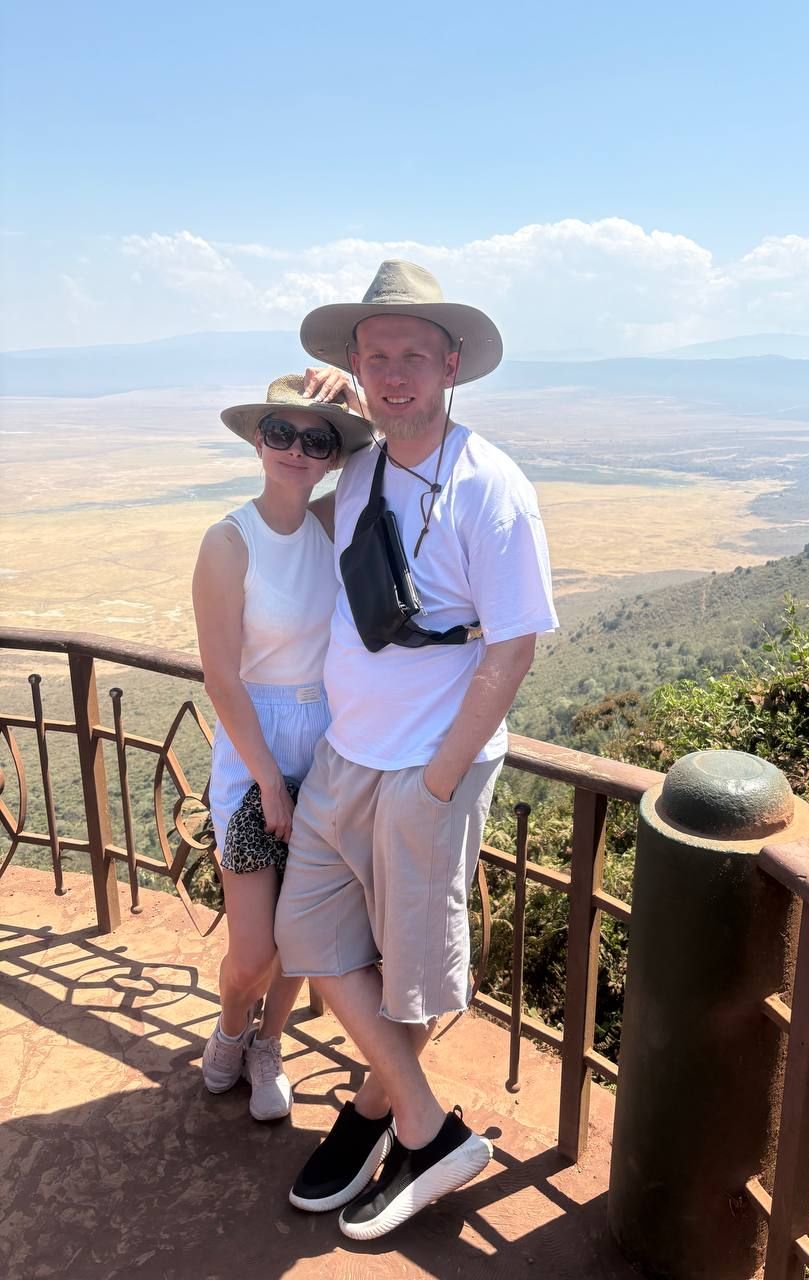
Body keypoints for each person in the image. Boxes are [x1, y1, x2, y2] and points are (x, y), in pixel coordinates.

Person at [275, 260, 558, 1238]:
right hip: (346, 753)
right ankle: (426, 1127)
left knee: (414, 970)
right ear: (357, 368)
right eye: (376, 356)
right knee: (308, 938)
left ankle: (375, 1118)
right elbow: (297, 522)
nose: (394, 373)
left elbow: (513, 648)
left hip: (429, 765)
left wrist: (437, 784)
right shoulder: (359, 463)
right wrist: (313, 426)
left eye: (413, 355)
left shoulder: (493, 488)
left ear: (452, 365)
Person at [194, 374, 368, 1121]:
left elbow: (392, 461)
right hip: (254, 748)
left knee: (302, 929)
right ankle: (232, 1024)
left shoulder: (332, 522)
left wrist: (358, 403)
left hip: (325, 741)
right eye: (281, 432)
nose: (297, 449)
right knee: (254, 950)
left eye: (317, 438)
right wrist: (267, 779)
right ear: (257, 441)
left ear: (332, 455)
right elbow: (221, 677)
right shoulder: (229, 542)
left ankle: (269, 1044)